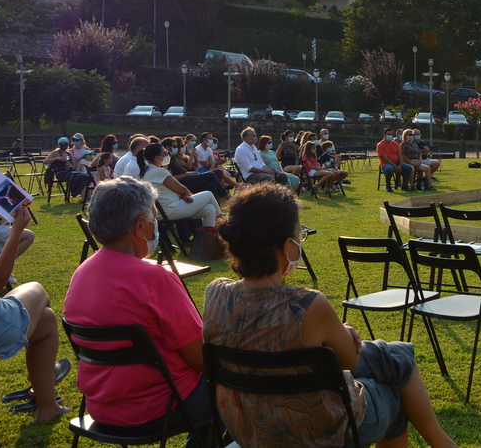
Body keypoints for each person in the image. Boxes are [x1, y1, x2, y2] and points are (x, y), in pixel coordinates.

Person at [203, 183, 458, 448]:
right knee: (394, 395)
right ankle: (440, 442)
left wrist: (332, 332)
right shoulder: (308, 304)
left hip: (248, 425)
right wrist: (342, 333)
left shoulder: (216, 293)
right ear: (287, 246)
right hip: (320, 430)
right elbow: (349, 360)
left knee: (395, 354)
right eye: (298, 235)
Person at [64, 177, 215, 447]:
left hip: (102, 407)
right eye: (154, 218)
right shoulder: (155, 279)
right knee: (240, 385)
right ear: (141, 226)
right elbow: (201, 359)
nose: (156, 226)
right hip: (158, 407)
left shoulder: (82, 272)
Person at [0, 205, 70, 424]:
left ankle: (48, 405)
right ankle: (45, 381)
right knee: (37, 289)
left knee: (46, 320)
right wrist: (16, 231)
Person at [138, 142, 222, 228]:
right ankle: (222, 221)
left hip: (163, 211)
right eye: (165, 153)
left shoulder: (145, 172)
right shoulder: (159, 171)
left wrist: (182, 196)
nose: (167, 155)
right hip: (172, 210)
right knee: (208, 194)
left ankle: (206, 238)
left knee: (210, 209)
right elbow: (183, 189)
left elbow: (169, 190)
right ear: (157, 158)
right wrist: (186, 195)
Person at [163, 137, 229, 201]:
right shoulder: (166, 161)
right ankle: (225, 194)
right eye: (174, 146)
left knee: (212, 185)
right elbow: (172, 178)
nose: (177, 148)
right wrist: (187, 174)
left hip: (190, 178)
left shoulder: (173, 158)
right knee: (212, 174)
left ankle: (216, 209)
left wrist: (195, 162)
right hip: (184, 181)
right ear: (167, 147)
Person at [377, 127, 413, 193]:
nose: (390, 136)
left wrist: (400, 164)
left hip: (397, 163)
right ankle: (388, 186)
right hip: (386, 164)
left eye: (391, 134)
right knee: (389, 169)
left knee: (408, 168)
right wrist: (395, 166)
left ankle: (404, 186)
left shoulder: (395, 144)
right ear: (384, 135)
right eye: (388, 134)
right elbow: (385, 158)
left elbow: (400, 155)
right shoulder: (380, 145)